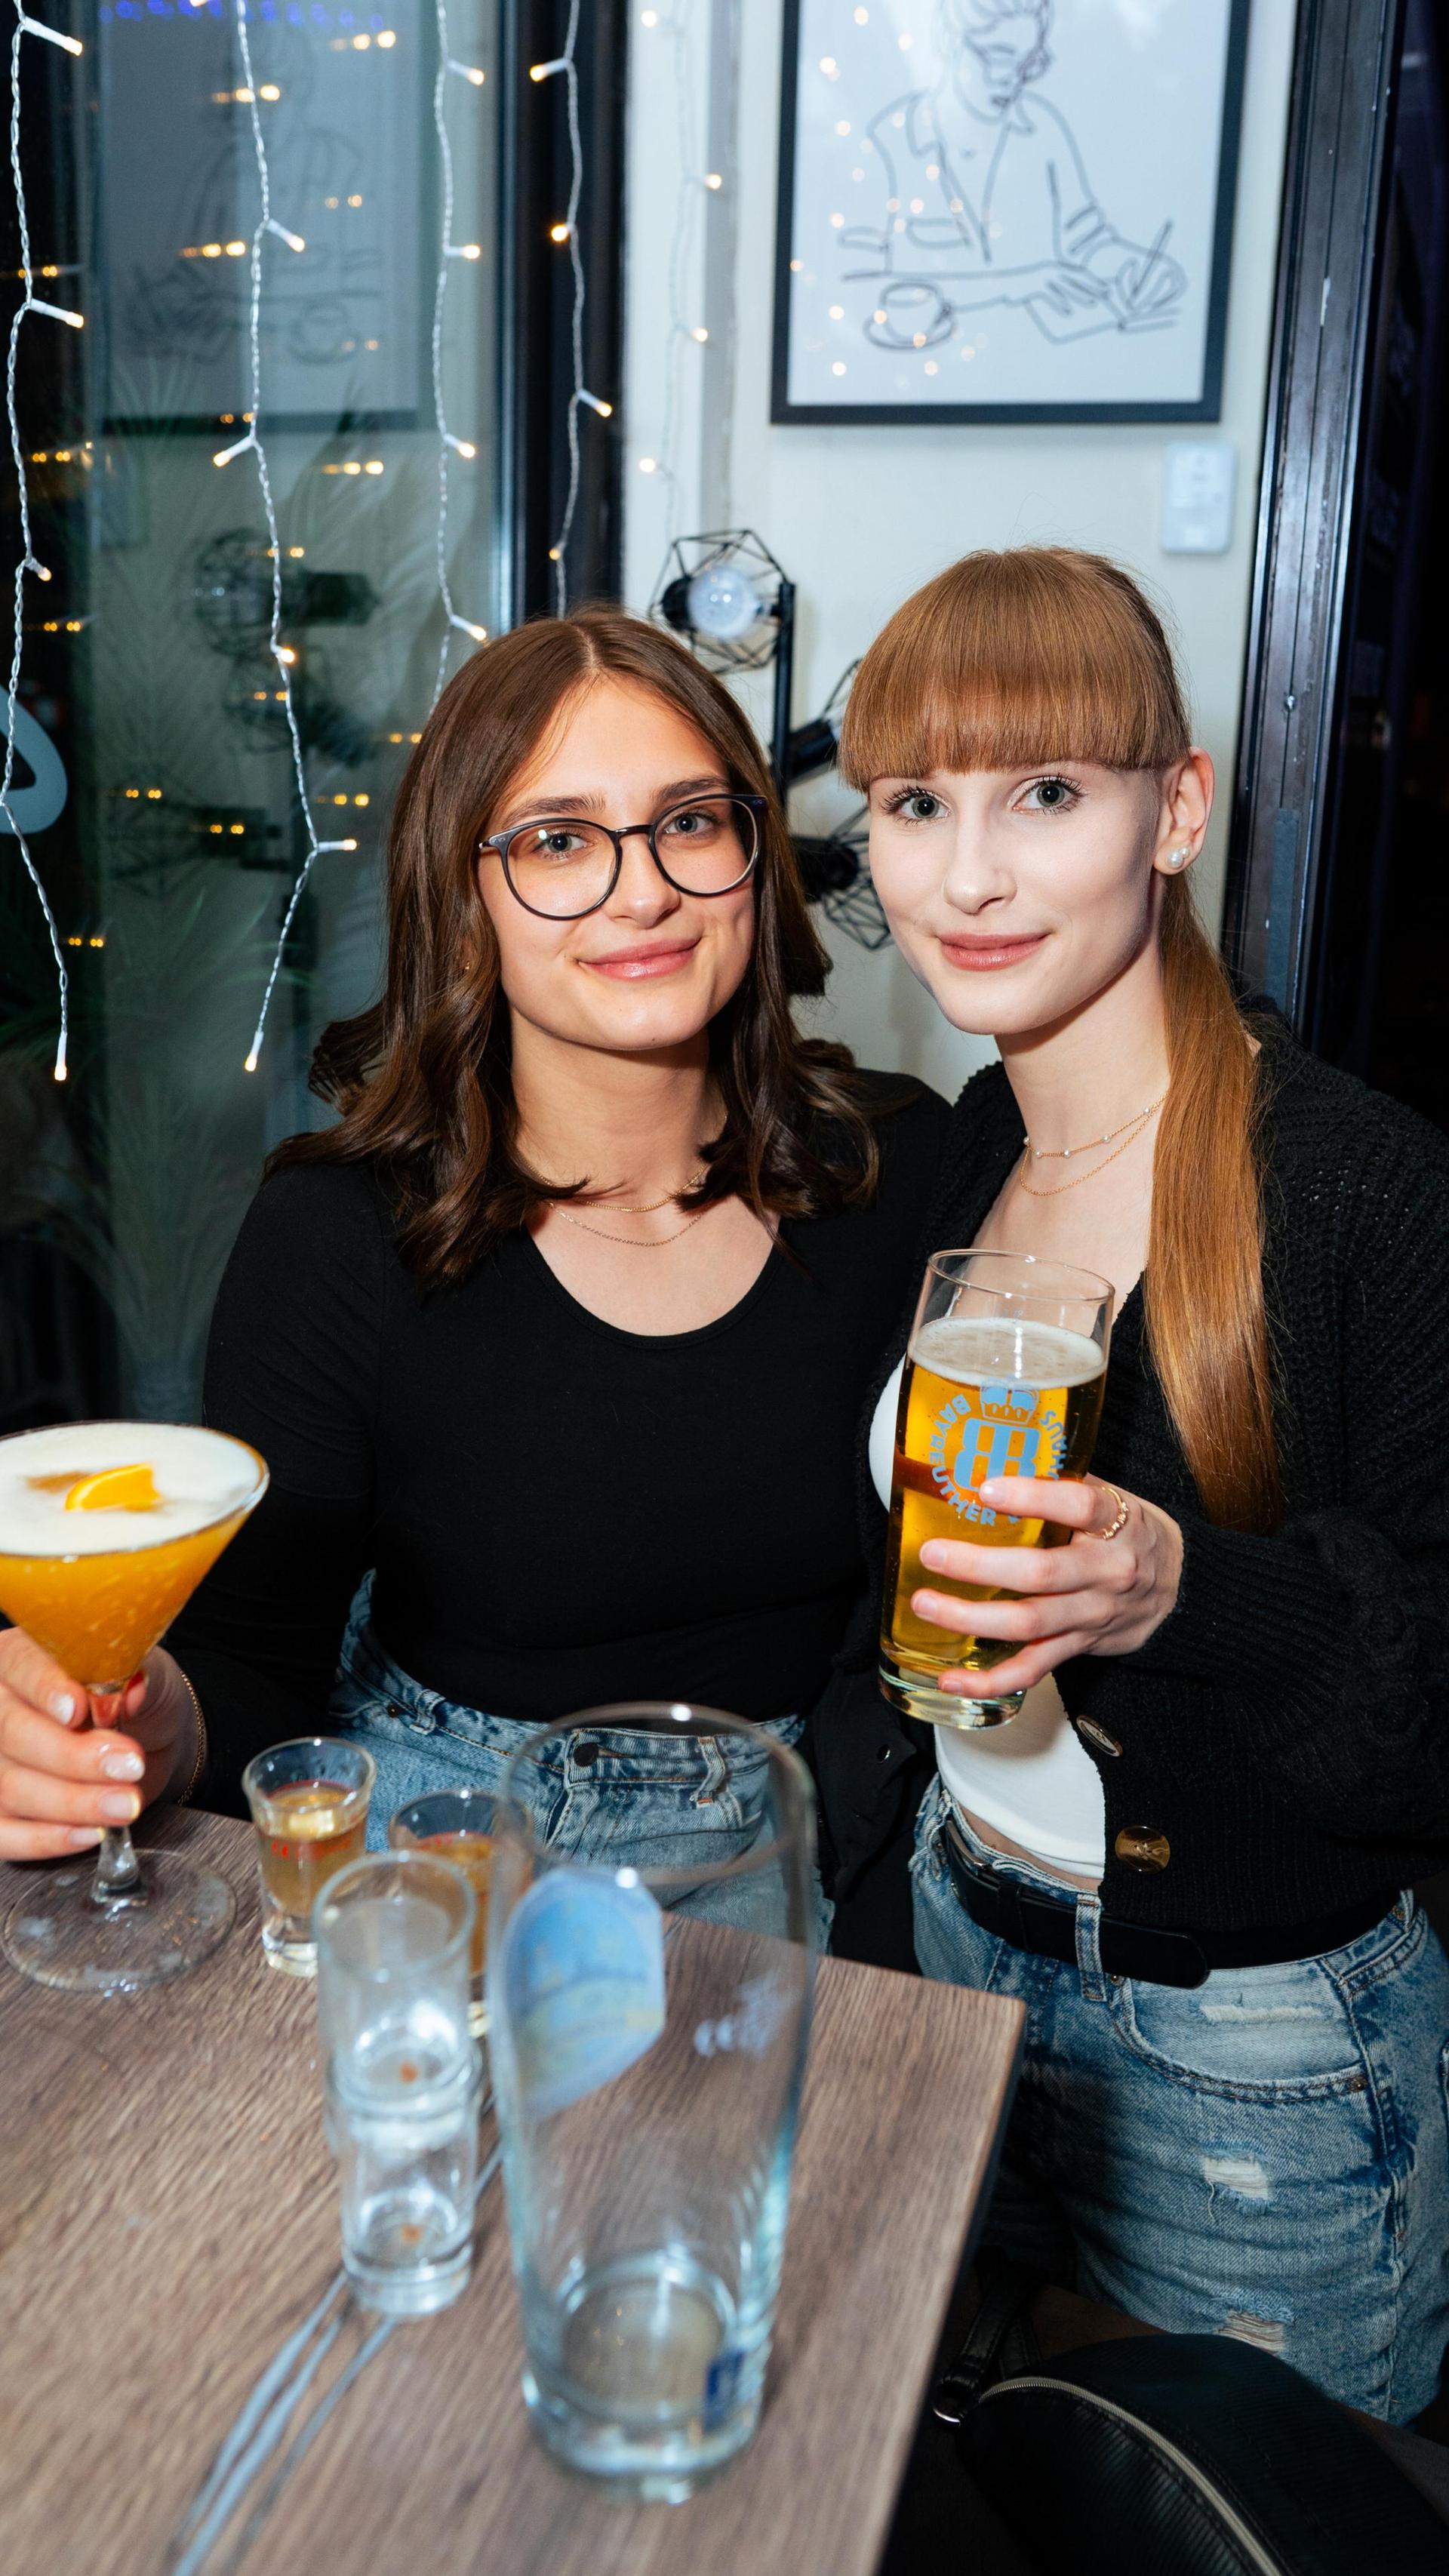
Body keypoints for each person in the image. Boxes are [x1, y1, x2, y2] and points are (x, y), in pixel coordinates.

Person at [0, 608, 946, 1919]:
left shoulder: (904, 1172)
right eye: (559, 839)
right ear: (463, 900)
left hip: (823, 1857)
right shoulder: (338, 1235)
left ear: (752, 852)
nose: (643, 886)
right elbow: (251, 1654)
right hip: (447, 1850)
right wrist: (141, 1716)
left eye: (690, 819)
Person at [814, 546, 1449, 2422]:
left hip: (1248, 2046)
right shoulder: (963, 1153)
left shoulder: (1359, 1189)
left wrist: (1191, 1593)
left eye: (1049, 795)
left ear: (1173, 811)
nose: (970, 872)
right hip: (953, 1954)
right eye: (917, 804)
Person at [844, 0, 1186, 359]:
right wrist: (1011, 286)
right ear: (948, 39)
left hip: (1037, 374)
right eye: (998, 56)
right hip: (922, 382)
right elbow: (855, 288)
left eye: (1028, 62)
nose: (1011, 78)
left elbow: (1086, 239)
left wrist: (1138, 268)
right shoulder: (888, 143)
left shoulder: (1044, 130)